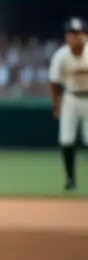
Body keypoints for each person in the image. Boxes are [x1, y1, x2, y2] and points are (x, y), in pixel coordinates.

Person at [48, 17, 87, 192]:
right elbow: (54, 83)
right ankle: (70, 180)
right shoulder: (61, 55)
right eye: (71, 33)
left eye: (78, 33)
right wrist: (56, 105)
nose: (74, 37)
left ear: (85, 35)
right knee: (66, 139)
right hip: (70, 98)